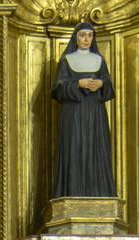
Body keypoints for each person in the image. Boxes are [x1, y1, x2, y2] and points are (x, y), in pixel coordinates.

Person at [50, 22, 116, 199]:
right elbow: (57, 89)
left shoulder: (99, 61)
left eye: (89, 35)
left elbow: (109, 87)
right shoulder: (66, 60)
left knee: (96, 150)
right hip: (73, 114)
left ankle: (99, 196)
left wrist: (101, 84)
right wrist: (77, 84)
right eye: (82, 35)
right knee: (74, 150)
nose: (86, 39)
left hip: (95, 113)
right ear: (76, 38)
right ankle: (72, 195)